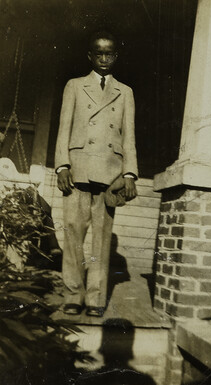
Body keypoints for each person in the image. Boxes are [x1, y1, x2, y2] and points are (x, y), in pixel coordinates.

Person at [55, 31, 138, 316]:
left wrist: (130, 173)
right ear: (90, 56)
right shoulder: (75, 86)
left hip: (110, 172)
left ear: (116, 56)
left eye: (110, 54)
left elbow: (129, 137)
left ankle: (95, 300)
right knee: (73, 236)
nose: (104, 59)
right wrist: (62, 165)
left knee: (101, 241)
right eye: (99, 54)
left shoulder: (124, 91)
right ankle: (73, 296)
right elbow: (63, 128)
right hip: (78, 169)